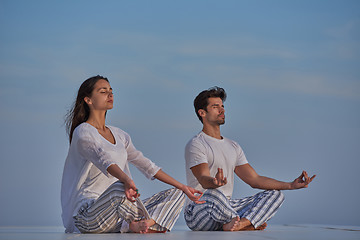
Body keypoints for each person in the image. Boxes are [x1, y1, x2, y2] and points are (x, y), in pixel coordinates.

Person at [61, 75, 203, 234]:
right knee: (119, 189)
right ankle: (136, 225)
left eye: (111, 91)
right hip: (88, 216)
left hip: (120, 212)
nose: (110, 95)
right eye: (103, 91)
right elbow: (103, 159)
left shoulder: (120, 135)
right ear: (88, 100)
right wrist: (127, 180)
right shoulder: (83, 132)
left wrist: (183, 187)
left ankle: (136, 225)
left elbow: (147, 166)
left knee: (177, 194)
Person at [184, 86, 316, 231]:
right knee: (214, 194)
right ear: (202, 113)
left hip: (227, 208)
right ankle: (248, 222)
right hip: (200, 210)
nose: (222, 110)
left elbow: (254, 179)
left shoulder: (233, 146)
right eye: (216, 107)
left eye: (222, 106)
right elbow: (202, 178)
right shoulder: (197, 144)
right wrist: (214, 182)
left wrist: (290, 185)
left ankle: (240, 224)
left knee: (275, 195)